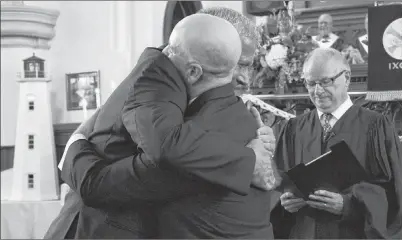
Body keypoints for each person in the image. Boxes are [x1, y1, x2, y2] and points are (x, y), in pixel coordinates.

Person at [45, 13, 278, 239]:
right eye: (237, 63)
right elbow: (99, 183)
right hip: (96, 227)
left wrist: (75, 144)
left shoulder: (173, 86)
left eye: (248, 65)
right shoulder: (163, 94)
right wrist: (249, 161)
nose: (244, 78)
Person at [270, 48, 402, 239]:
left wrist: (349, 205)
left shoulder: (375, 127)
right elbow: (276, 184)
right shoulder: (293, 129)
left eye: (325, 82)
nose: (317, 91)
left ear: (346, 78)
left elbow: (393, 192)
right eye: (310, 83)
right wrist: (284, 202)